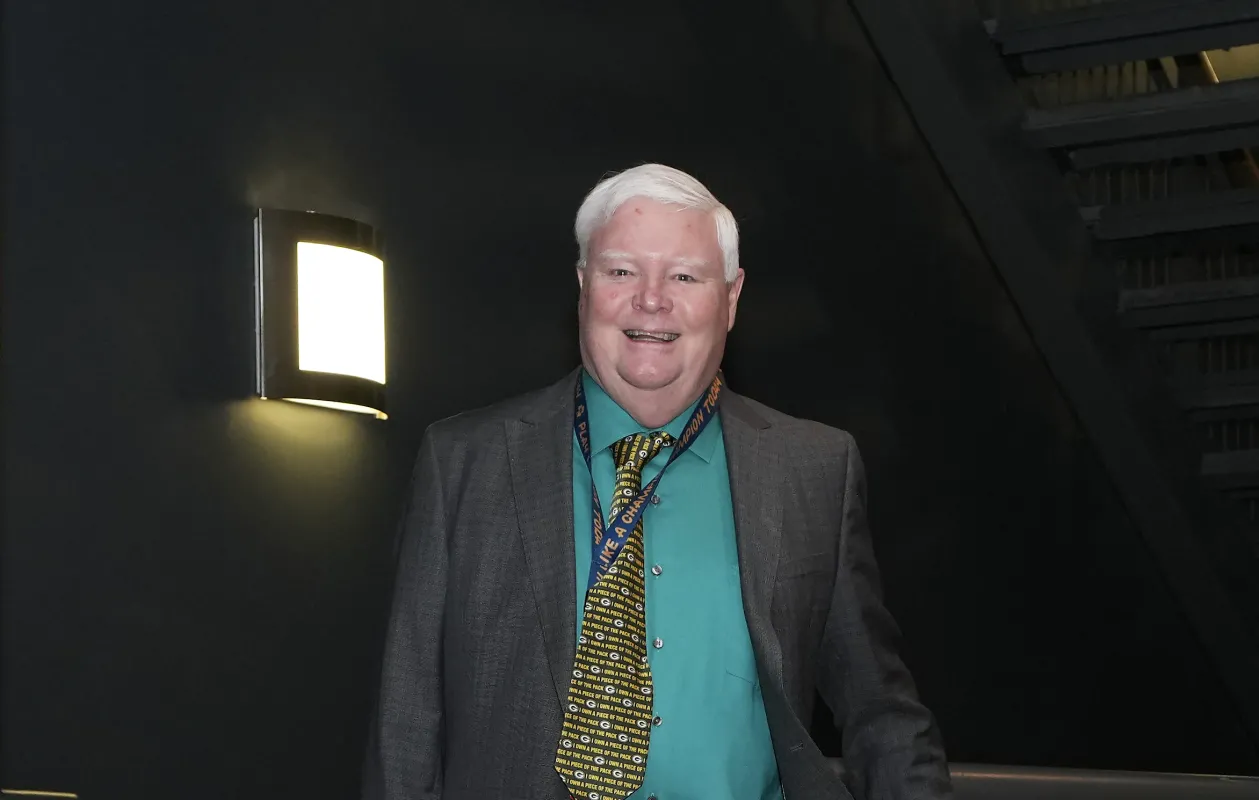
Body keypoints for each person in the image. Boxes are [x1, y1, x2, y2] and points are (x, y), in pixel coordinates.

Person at [363, 164, 952, 800]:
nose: (651, 299)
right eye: (622, 271)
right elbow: (406, 721)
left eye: (684, 275)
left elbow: (881, 711)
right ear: (584, 285)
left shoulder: (815, 469)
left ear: (730, 298)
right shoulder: (464, 464)